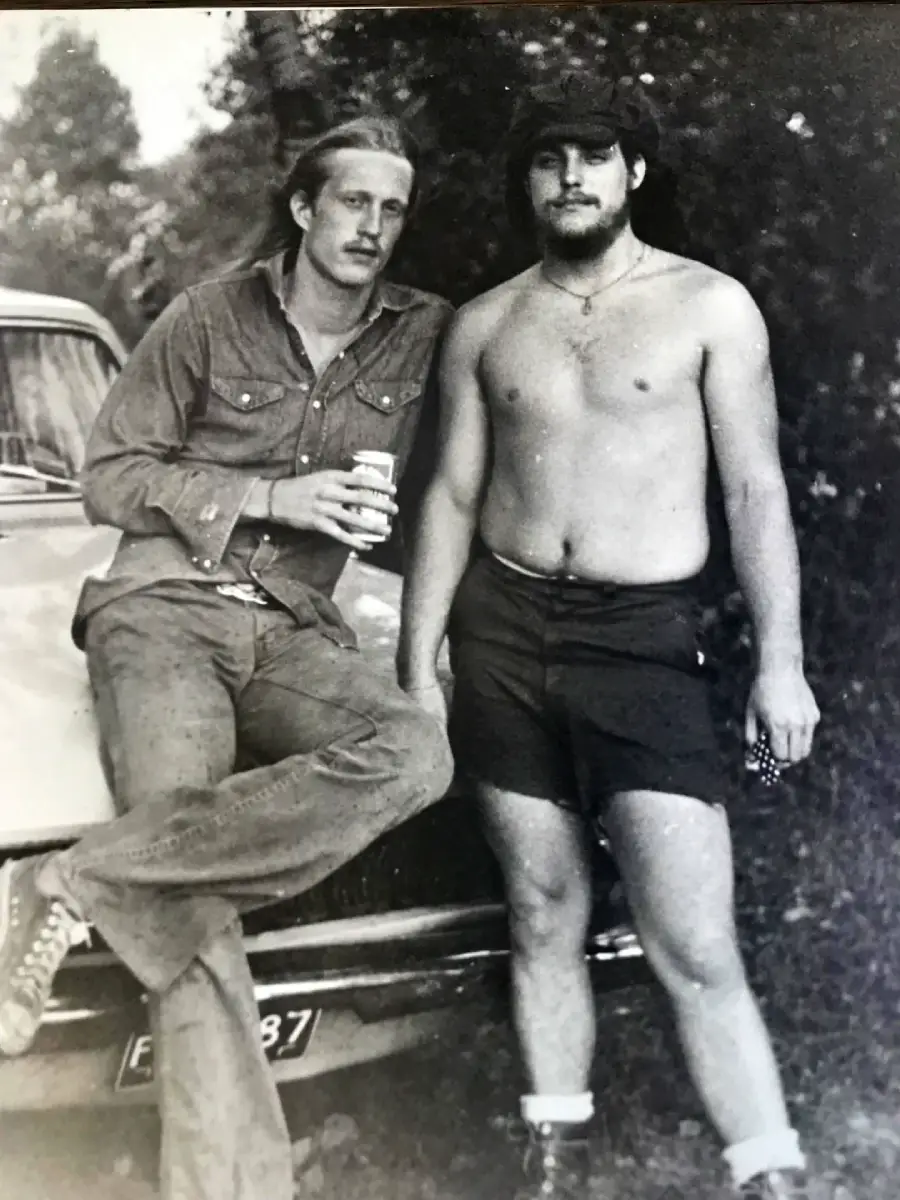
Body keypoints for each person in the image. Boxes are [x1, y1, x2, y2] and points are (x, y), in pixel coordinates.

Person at [0, 114, 454, 1200]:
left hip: (291, 624)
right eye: (354, 201)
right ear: (304, 207)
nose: (373, 226)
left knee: (415, 752)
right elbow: (108, 476)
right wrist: (270, 497)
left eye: (393, 210)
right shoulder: (207, 316)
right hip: (162, 605)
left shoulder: (425, 332)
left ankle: (74, 878)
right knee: (191, 905)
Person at [397, 76, 823, 1200]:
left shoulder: (711, 307)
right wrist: (417, 660)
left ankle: (769, 1173)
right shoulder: (486, 323)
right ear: (528, 180)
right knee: (542, 910)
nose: (571, 177)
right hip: (501, 632)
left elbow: (756, 490)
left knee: (694, 940)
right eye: (549, 159)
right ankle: (557, 1163)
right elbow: (450, 495)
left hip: (641, 638)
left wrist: (781, 663)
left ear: (634, 170)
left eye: (593, 155)